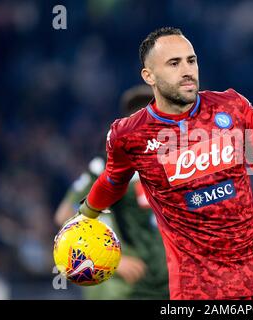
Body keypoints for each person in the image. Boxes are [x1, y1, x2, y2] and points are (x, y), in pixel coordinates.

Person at [71, 27, 253, 300]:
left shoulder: (234, 107)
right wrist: (85, 216)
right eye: (174, 63)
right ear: (149, 76)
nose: (187, 70)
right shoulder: (128, 135)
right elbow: (112, 181)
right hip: (196, 291)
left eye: (191, 60)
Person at [55, 84, 169, 300]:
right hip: (131, 289)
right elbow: (66, 215)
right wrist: (108, 260)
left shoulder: (183, 164)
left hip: (172, 287)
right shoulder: (109, 166)